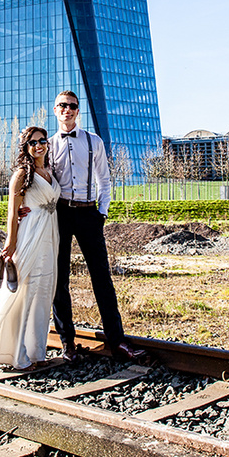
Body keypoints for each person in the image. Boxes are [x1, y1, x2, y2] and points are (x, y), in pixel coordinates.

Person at [49, 91, 145, 364]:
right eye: (62, 106)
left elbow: (105, 180)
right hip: (60, 215)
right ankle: (67, 342)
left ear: (78, 111)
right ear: (55, 110)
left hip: (89, 213)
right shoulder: (51, 144)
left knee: (101, 278)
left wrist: (101, 212)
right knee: (60, 280)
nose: (67, 110)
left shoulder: (94, 142)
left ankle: (117, 341)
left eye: (72, 106)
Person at [0, 126, 60, 371]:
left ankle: (36, 351)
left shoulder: (49, 171)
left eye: (42, 140)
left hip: (50, 235)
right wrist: (10, 244)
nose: (39, 145)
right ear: (25, 147)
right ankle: (17, 355)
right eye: (33, 143)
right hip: (30, 234)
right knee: (25, 292)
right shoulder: (21, 174)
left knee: (43, 293)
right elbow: (12, 213)